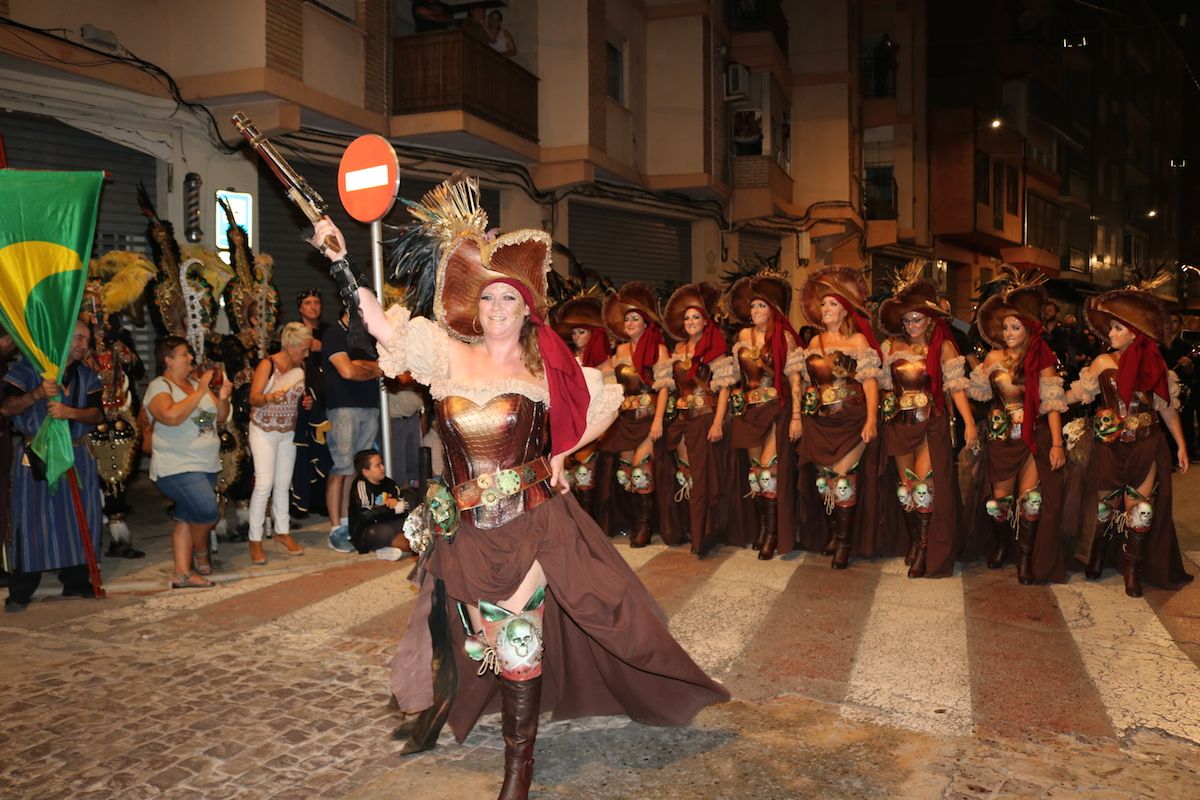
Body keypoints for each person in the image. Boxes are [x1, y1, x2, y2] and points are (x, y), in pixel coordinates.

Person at [312, 178, 727, 800]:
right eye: (488, 298)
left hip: (532, 520)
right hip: (463, 529)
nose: (497, 307)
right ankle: (511, 726)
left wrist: (560, 453)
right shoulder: (443, 356)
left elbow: (600, 405)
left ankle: (518, 770)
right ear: (474, 308)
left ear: (526, 307)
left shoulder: (542, 370)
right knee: (484, 639)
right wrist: (341, 259)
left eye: (509, 298)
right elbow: (379, 325)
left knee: (517, 638)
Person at [1068, 282, 1193, 596]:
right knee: (1104, 508)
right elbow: (1078, 395)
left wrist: (1181, 444)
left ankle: (1132, 571)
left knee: (1141, 510)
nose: (1110, 334)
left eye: (1117, 328)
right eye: (1110, 327)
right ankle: (1096, 556)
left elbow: (1166, 408)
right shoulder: (1101, 363)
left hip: (1147, 443)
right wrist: (1048, 397)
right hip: (1109, 446)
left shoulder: (1156, 365)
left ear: (1135, 333)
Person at [966, 271, 1068, 584]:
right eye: (1005, 327)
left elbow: (1051, 403)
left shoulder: (1042, 358)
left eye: (1015, 327)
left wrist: (1057, 444)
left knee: (1031, 501)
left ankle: (1023, 560)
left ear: (1028, 328)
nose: (1008, 332)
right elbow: (979, 394)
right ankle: (1000, 545)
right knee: (999, 502)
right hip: (1001, 440)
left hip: (1033, 438)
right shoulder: (993, 357)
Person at [788, 266, 893, 569]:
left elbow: (870, 382)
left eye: (833, 304)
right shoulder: (812, 345)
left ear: (846, 311)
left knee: (843, 480)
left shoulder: (858, 342)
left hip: (852, 419)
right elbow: (802, 383)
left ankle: (845, 544)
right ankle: (835, 533)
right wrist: (798, 414)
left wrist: (872, 420)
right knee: (825, 482)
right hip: (821, 423)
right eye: (824, 304)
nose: (827, 309)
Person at [876, 265, 976, 578]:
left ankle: (923, 547)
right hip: (900, 424)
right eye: (906, 319)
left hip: (930, 424)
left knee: (925, 485)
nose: (912, 324)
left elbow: (956, 388)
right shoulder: (891, 347)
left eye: (916, 318)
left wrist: (970, 423)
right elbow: (879, 383)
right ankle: (915, 541)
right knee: (906, 489)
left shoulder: (942, 347)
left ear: (929, 318)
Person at [3, 319, 104, 611]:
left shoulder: (88, 376)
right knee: (32, 521)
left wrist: (71, 411)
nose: (83, 344)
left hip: (76, 454)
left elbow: (98, 415)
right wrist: (36, 394)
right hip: (36, 454)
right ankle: (22, 589)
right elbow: (6, 408)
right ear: (60, 338)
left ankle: (76, 581)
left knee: (77, 517)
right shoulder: (24, 370)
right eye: (77, 338)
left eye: (86, 339)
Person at [145, 336, 233, 588]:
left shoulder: (195, 384)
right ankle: (202, 552)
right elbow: (171, 417)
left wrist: (223, 397)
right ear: (169, 359)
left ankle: (182, 574)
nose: (191, 359)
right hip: (176, 465)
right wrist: (201, 391)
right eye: (185, 354)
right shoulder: (159, 387)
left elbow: (218, 417)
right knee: (207, 511)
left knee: (185, 517)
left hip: (205, 464)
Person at [725, 269, 802, 560]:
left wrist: (796, 416)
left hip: (774, 411)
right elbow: (736, 375)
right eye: (753, 305)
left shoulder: (784, 336)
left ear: (773, 309)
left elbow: (794, 377)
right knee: (755, 474)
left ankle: (772, 533)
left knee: (770, 473)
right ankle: (761, 527)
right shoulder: (742, 336)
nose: (755, 310)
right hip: (748, 412)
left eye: (761, 306)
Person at [662, 283, 736, 557]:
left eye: (696, 317)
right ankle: (691, 527)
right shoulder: (677, 349)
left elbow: (725, 387)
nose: (691, 322)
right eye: (687, 318)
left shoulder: (715, 345)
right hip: (681, 420)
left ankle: (702, 536)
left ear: (705, 321)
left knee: (703, 478)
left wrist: (718, 423)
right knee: (687, 474)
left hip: (705, 418)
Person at [598, 282, 673, 547]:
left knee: (643, 472)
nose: (629, 323)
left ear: (645, 323)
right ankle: (634, 521)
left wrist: (657, 421)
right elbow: (610, 388)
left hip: (647, 419)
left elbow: (663, 389)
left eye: (635, 318)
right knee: (626, 474)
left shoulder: (659, 349)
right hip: (625, 421)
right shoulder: (618, 352)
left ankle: (645, 526)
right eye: (627, 318)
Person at [246, 322, 313, 564]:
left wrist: (307, 403)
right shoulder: (268, 364)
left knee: (284, 484)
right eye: (303, 349)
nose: (306, 354)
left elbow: (299, 397)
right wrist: (268, 397)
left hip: (287, 431)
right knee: (264, 484)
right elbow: (253, 397)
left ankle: (282, 532)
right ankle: (254, 539)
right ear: (290, 345)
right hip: (263, 429)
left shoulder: (300, 366)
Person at [324, 310, 383, 553]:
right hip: (343, 407)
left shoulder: (368, 337)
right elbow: (346, 371)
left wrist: (363, 366)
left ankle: (349, 521)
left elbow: (383, 367)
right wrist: (367, 369)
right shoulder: (334, 333)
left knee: (357, 469)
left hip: (369, 406)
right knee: (342, 467)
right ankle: (335, 528)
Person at [551, 293, 611, 514]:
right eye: (574, 332)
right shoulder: (569, 359)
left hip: (593, 424)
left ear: (594, 333)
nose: (576, 337)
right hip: (568, 424)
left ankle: (588, 522)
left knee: (586, 476)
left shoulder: (606, 362)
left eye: (582, 332)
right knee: (569, 476)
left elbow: (612, 398)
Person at [292, 289, 332, 518]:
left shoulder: (328, 331)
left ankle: (321, 501)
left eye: (317, 302)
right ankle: (300, 502)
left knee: (323, 448)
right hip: (300, 397)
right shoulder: (293, 330)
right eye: (308, 303)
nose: (313, 307)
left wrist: (321, 345)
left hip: (324, 399)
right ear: (300, 307)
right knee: (302, 450)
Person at [348, 448, 418, 554]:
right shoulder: (360, 485)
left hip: (390, 522)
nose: (383, 467)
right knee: (384, 533)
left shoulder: (389, 483)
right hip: (368, 529)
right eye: (378, 465)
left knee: (413, 523)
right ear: (366, 472)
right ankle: (401, 545)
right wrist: (389, 508)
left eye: (382, 464)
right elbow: (364, 515)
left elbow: (404, 505)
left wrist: (399, 505)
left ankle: (390, 547)